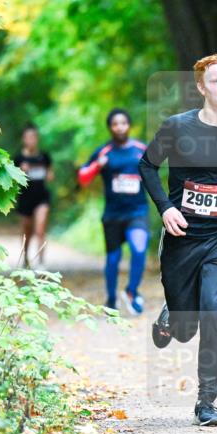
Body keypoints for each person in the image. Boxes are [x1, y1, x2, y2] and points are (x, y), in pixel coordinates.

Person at [138, 54, 217, 427]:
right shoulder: (176, 128)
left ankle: (206, 401)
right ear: (201, 87)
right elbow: (146, 166)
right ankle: (172, 316)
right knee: (185, 329)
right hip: (182, 236)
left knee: (214, 310)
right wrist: (165, 208)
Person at [78, 108, 150, 314]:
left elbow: (154, 174)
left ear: (129, 125)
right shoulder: (104, 152)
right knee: (113, 259)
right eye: (115, 124)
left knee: (139, 249)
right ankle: (111, 298)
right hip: (112, 215)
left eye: (123, 123)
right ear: (110, 127)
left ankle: (132, 291)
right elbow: (83, 178)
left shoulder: (141, 149)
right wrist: (97, 167)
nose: (120, 127)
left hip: (138, 211)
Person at [13, 123, 53, 268]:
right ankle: (25, 259)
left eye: (34, 137)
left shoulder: (44, 157)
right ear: (24, 139)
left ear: (37, 139)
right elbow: (11, 181)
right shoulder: (18, 158)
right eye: (28, 137)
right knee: (27, 232)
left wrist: (47, 174)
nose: (31, 140)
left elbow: (50, 175)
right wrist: (22, 172)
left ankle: (41, 262)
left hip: (42, 198)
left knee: (40, 228)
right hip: (25, 198)